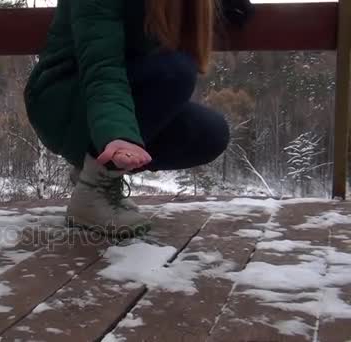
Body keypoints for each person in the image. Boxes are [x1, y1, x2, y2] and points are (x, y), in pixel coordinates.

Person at [23, 0, 254, 237]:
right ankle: (93, 190)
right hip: (64, 99)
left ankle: (92, 171)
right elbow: (102, 71)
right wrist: (117, 135)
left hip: (117, 96)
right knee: (175, 72)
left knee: (209, 133)